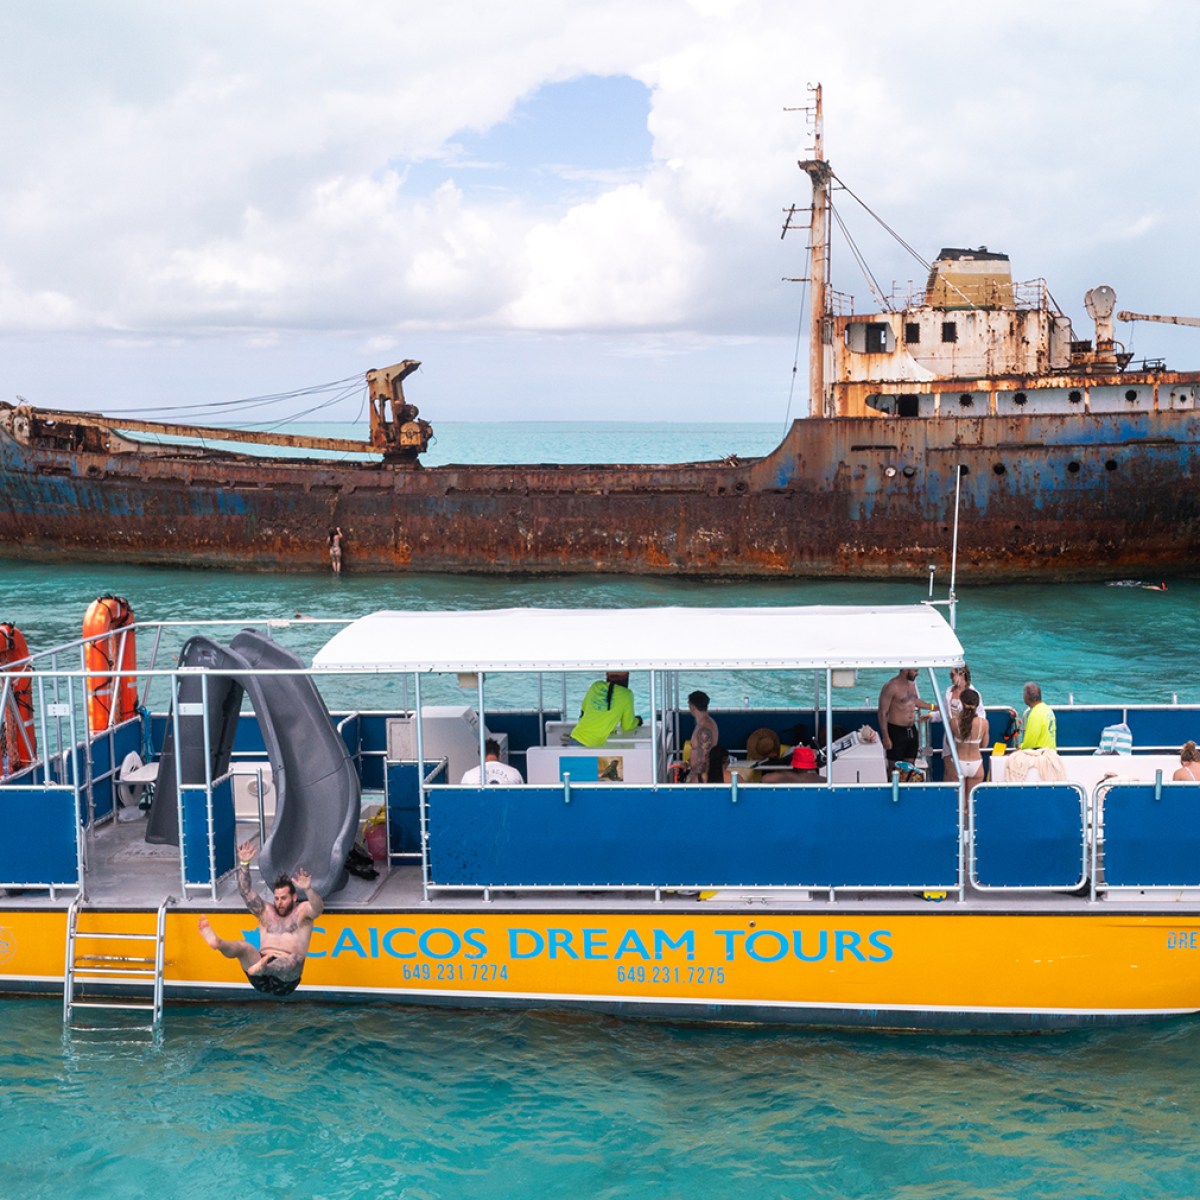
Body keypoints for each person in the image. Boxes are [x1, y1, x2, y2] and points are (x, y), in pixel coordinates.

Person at [197, 840, 322, 997]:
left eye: (284, 898)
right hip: (258, 972)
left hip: (285, 980)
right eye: (276, 898)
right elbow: (245, 891)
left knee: (295, 959)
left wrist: (309, 889)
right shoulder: (266, 911)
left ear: (294, 897)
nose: (279, 903)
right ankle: (218, 943)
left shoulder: (302, 912)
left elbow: (318, 908)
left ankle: (264, 967)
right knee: (244, 947)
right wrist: (244, 863)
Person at [878, 667, 935, 772]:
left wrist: (933, 707)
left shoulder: (912, 684)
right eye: (915, 670)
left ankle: (907, 786)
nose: (917, 673)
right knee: (894, 768)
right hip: (896, 731)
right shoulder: (891, 687)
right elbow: (882, 713)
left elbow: (914, 701)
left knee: (910, 767)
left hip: (911, 730)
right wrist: (886, 736)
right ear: (905, 669)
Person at [569, 671, 643, 747]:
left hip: (574, 738)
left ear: (607, 675)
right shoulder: (627, 694)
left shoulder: (596, 685)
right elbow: (627, 726)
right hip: (590, 746)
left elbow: (583, 711)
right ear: (626, 676)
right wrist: (638, 720)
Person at [948, 688, 989, 800]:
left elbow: (948, 742)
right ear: (977, 705)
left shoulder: (954, 722)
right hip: (976, 763)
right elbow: (984, 745)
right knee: (972, 801)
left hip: (958, 763)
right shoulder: (983, 723)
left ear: (961, 703)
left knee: (958, 802)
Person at [686, 691, 719, 783]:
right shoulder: (705, 723)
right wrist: (688, 763)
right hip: (698, 774)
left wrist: (695, 779)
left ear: (692, 706)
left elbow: (704, 757)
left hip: (700, 777)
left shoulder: (704, 728)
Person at [1019, 682, 1057, 750]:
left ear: (1027, 697)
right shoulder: (1047, 709)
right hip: (1051, 752)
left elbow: (1029, 744)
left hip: (1041, 755)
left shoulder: (1035, 714)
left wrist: (1019, 748)